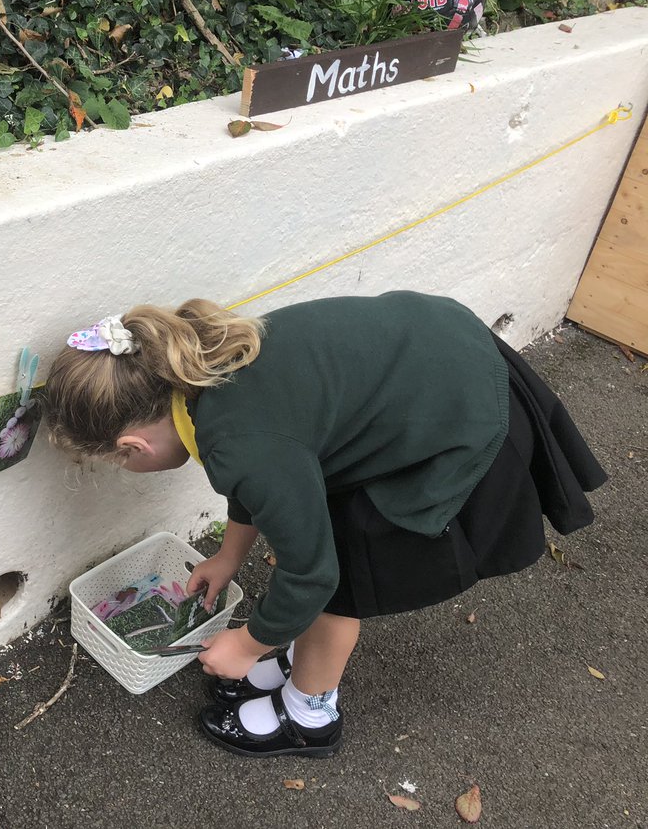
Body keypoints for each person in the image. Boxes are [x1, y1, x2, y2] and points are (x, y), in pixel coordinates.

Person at [44, 291, 606, 759]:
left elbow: (313, 575)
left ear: (131, 445)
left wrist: (245, 643)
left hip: (459, 415)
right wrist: (229, 556)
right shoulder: (199, 371)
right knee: (321, 537)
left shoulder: (242, 445)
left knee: (344, 580)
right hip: (438, 355)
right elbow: (266, 483)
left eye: (120, 462)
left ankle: (309, 714)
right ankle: (299, 658)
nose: (129, 468)